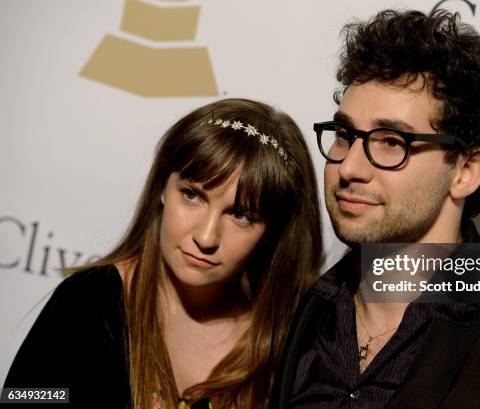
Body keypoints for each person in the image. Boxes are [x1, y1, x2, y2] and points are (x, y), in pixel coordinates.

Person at [269, 9, 480, 409]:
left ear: (465, 171)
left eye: (391, 142)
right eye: (345, 135)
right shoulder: (297, 313)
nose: (348, 167)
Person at [4, 99, 323, 409]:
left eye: (241, 214)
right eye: (192, 195)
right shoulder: (89, 300)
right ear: (162, 188)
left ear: (273, 231)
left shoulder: (285, 340)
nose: (206, 236)